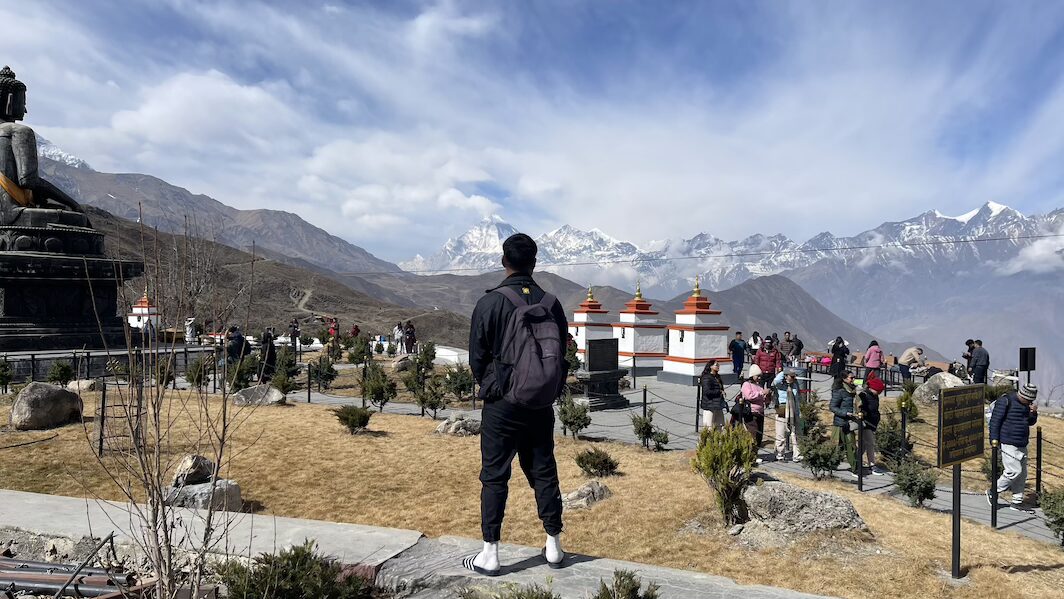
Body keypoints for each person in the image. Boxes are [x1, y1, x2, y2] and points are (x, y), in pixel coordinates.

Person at [466, 232, 569, 575]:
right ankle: (554, 546)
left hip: (502, 404)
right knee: (543, 470)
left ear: (503, 261)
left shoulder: (491, 302)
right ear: (535, 262)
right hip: (540, 404)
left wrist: (495, 384)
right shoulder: (552, 303)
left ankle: (490, 553)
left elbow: (477, 358)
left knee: (495, 474)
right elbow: (562, 352)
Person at [988, 384, 1039, 512]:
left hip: (1022, 443)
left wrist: (1033, 413)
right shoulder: (1006, 401)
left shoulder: (1027, 405)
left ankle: (1017, 501)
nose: (1030, 403)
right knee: (1013, 471)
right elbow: (995, 421)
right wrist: (994, 442)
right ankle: (993, 491)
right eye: (1029, 400)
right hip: (1007, 441)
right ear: (1023, 395)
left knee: (1022, 474)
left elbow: (1030, 422)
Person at [830, 370, 859, 476]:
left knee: (851, 446)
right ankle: (831, 465)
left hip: (850, 423)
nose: (853, 379)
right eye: (851, 378)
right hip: (840, 423)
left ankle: (855, 468)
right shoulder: (839, 391)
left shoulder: (853, 391)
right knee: (837, 446)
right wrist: (845, 413)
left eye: (854, 377)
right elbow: (832, 407)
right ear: (845, 379)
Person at [771, 370, 802, 462]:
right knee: (781, 433)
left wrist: (798, 411)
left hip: (793, 411)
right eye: (791, 376)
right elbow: (776, 380)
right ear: (786, 376)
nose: (793, 378)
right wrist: (784, 371)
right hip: (782, 409)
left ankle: (797, 454)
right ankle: (780, 454)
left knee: (795, 433)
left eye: (794, 376)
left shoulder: (795, 385)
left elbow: (797, 399)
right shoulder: (780, 385)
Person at [857, 377, 885, 475]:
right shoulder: (863, 395)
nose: (879, 393)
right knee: (870, 444)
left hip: (872, 423)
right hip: (866, 423)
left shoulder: (874, 396)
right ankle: (872, 465)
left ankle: (856, 461)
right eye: (878, 391)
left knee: (864, 445)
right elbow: (859, 408)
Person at [740, 364, 768, 450]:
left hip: (760, 413)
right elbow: (749, 396)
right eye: (757, 376)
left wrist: (767, 397)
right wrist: (761, 393)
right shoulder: (746, 384)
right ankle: (751, 453)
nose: (759, 378)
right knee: (752, 434)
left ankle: (756, 453)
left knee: (759, 434)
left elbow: (762, 397)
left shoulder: (759, 385)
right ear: (752, 375)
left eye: (760, 376)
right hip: (751, 413)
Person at [699, 359, 727, 431]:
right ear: (711, 366)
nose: (718, 366)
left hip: (718, 405)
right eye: (716, 365)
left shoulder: (717, 377)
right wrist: (719, 392)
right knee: (708, 428)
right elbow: (707, 391)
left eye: (718, 365)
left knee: (720, 426)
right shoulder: (706, 377)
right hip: (709, 405)